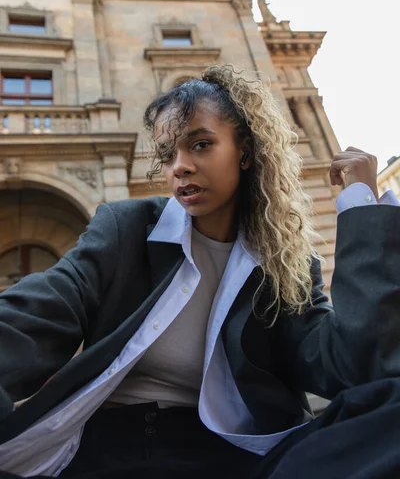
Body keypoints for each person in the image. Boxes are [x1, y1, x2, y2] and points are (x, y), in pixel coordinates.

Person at [0, 64, 400, 479]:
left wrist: (361, 205)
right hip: (116, 446)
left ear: (244, 150)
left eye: (201, 145)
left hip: (237, 454)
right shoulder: (128, 227)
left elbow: (357, 368)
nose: (180, 167)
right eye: (167, 154)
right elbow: (38, 312)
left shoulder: (287, 263)